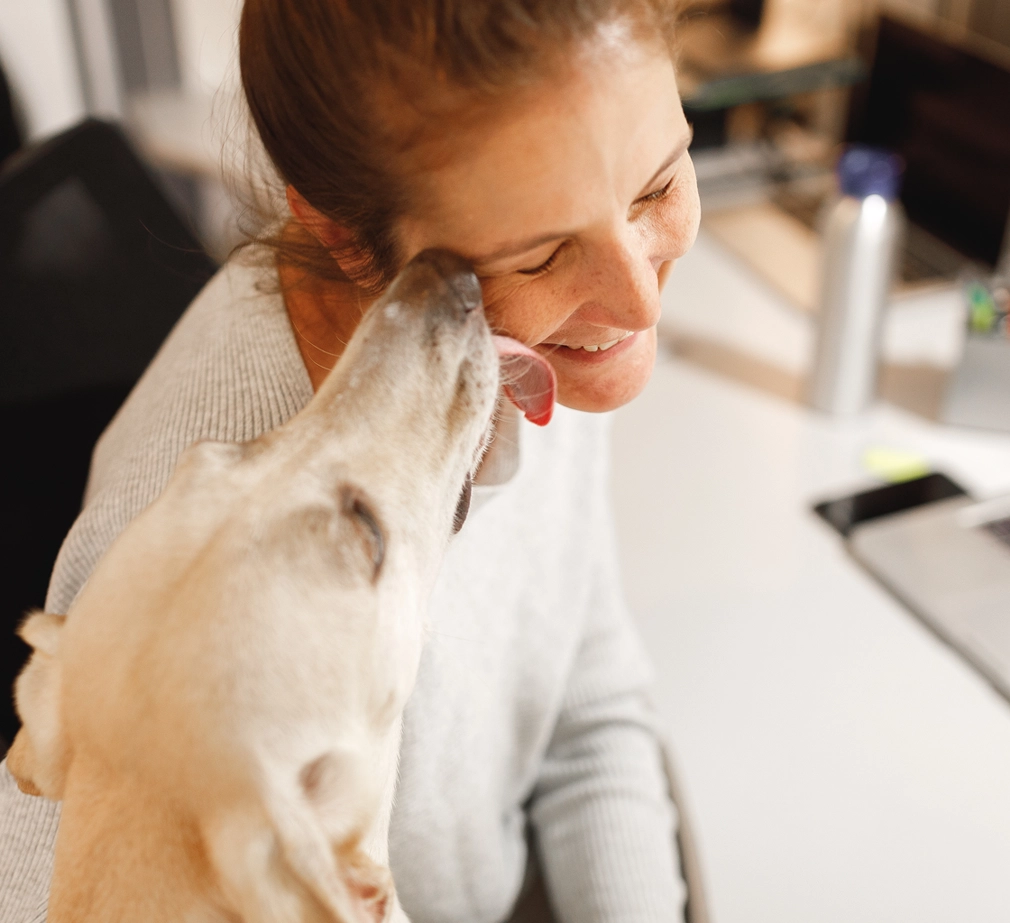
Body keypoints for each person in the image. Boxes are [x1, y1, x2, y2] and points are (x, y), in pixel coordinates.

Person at [0, 1, 701, 920]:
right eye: (540, 255)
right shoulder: (179, 574)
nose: (639, 301)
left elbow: (587, 695)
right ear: (343, 234)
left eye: (654, 187)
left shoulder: (555, 326)